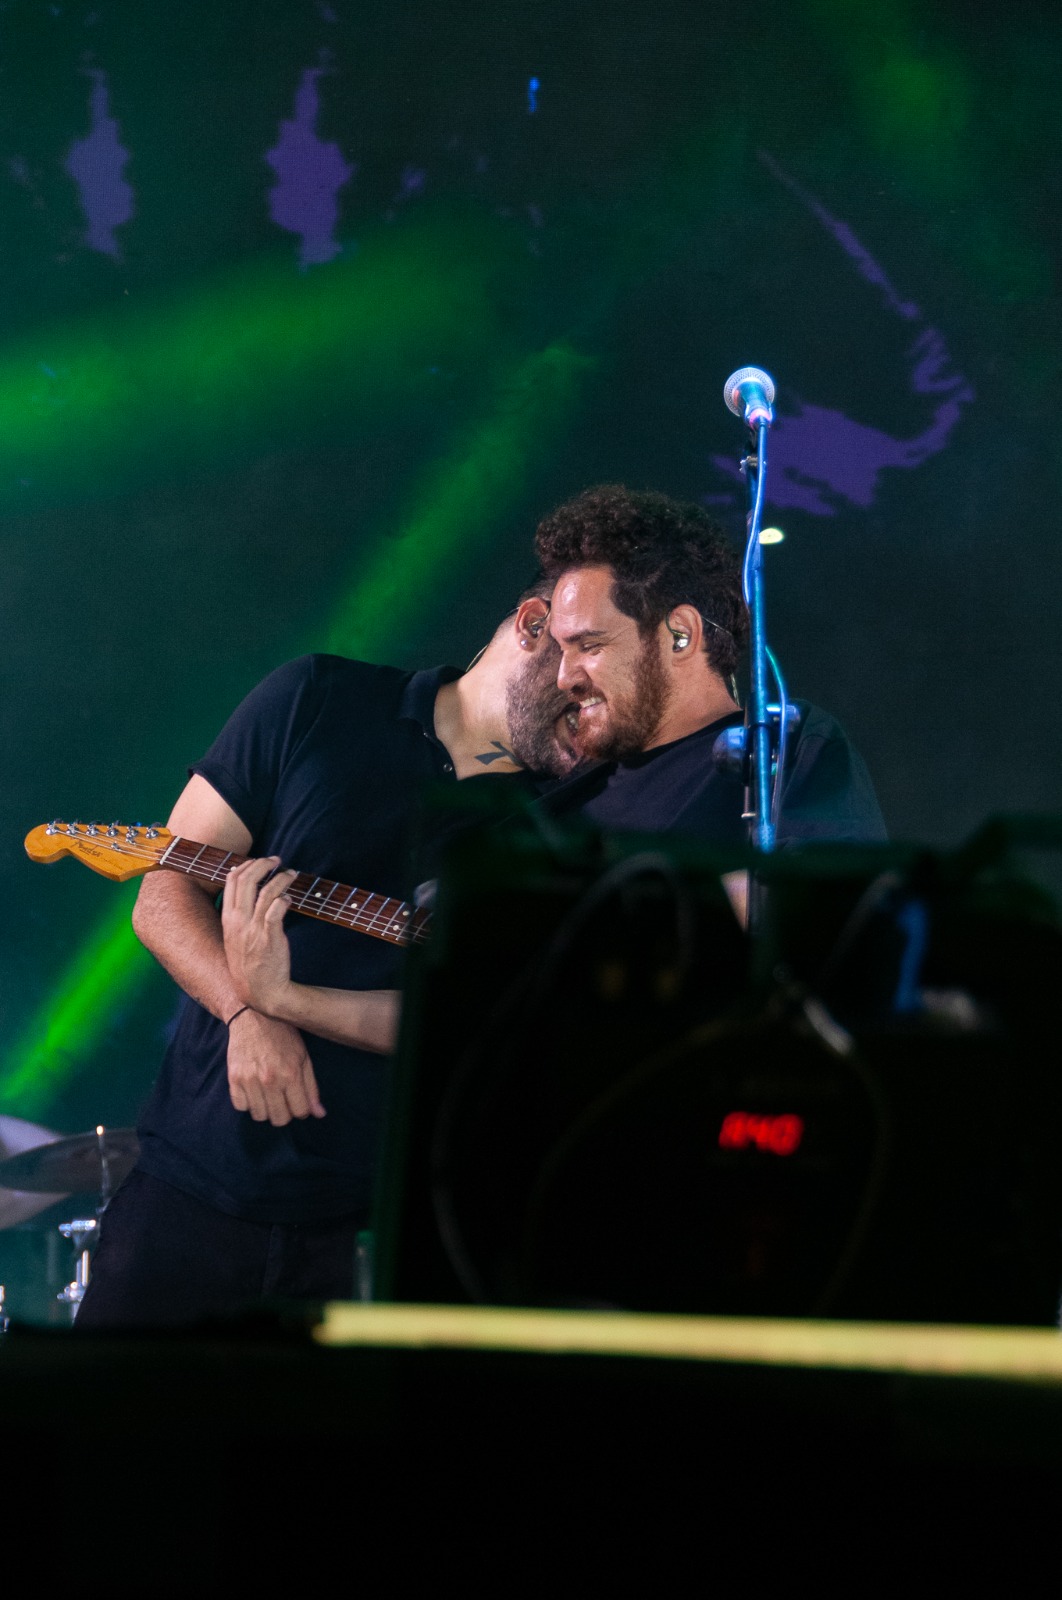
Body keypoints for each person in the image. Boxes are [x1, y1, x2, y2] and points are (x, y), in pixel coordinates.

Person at [74, 592, 572, 1328]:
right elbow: (162, 896)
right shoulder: (317, 695)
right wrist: (248, 1011)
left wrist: (287, 1000)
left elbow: (471, 1019)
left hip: (379, 1229)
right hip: (192, 1187)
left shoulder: (563, 816)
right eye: (582, 666)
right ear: (532, 625)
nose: (591, 700)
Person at [532, 485, 887, 866]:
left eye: (589, 645)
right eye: (563, 649)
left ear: (681, 635)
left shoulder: (782, 747)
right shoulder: (563, 798)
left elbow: (830, 895)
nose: (564, 678)